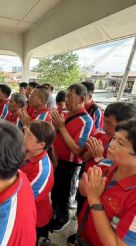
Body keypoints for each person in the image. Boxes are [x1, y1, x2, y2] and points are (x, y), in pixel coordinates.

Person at [76, 120, 136, 246]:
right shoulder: (107, 164)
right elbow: (84, 192)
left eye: (121, 143)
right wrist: (85, 187)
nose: (111, 145)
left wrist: (94, 198)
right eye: (114, 138)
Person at [67, 102, 136, 244]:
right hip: (87, 185)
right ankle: (80, 233)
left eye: (109, 123)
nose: (104, 126)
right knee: (82, 209)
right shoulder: (101, 135)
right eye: (104, 121)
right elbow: (83, 157)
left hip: (100, 197)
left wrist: (99, 158)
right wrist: (92, 154)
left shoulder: (127, 158)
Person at [50, 83, 93, 231]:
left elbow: (77, 149)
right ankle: (53, 212)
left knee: (64, 193)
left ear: (81, 99)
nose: (66, 99)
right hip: (56, 160)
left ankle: (63, 218)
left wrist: (61, 127)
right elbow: (56, 135)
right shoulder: (66, 114)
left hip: (70, 164)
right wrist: (56, 127)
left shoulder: (86, 121)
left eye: (70, 96)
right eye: (66, 95)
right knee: (55, 190)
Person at [21, 121, 55, 244]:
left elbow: (23, 198)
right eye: (26, 132)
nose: (24, 136)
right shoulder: (27, 151)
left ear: (40, 145)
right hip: (25, 215)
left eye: (28, 135)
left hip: (35, 220)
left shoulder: (42, 170)